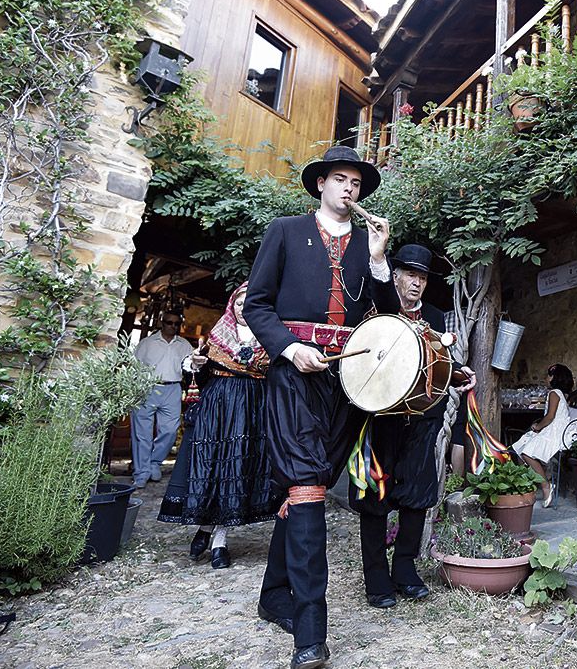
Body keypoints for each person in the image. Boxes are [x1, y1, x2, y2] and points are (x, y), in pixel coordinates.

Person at [243, 145, 399, 669]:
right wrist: (288, 347)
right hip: (293, 374)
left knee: (307, 487)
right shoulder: (285, 230)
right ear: (320, 185)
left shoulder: (367, 246)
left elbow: (388, 318)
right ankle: (311, 632)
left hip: (348, 382)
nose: (349, 189)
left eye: (356, 182)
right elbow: (257, 305)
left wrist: (379, 262)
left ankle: (273, 594)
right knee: (308, 481)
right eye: (339, 179)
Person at [349, 244, 476, 610]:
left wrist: (458, 374)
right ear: (395, 276)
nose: (416, 283)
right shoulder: (376, 313)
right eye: (409, 275)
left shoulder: (435, 316)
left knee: (417, 497)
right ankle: (376, 578)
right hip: (381, 420)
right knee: (375, 497)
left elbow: (441, 365)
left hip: (423, 420)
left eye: (422, 277)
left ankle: (404, 570)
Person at [157, 283, 278, 569]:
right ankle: (206, 529)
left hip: (251, 409)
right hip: (218, 409)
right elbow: (196, 368)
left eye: (249, 304)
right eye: (238, 303)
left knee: (235, 472)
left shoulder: (270, 337)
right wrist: (194, 363)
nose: (243, 309)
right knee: (212, 467)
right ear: (231, 306)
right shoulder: (218, 335)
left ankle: (218, 539)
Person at [130, 310, 194, 489]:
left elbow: (192, 368)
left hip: (173, 387)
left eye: (176, 323)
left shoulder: (184, 345)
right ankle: (141, 472)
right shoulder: (147, 343)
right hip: (148, 386)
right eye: (168, 322)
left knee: (170, 430)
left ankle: (154, 462)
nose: (172, 326)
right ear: (161, 322)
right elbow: (135, 366)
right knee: (141, 432)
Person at [512, 363, 575, 507]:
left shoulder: (554, 393)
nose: (546, 378)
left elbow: (550, 416)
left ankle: (545, 486)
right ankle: (529, 485)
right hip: (553, 429)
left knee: (527, 453)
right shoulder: (560, 394)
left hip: (557, 433)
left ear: (554, 377)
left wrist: (538, 427)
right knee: (520, 446)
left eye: (548, 375)